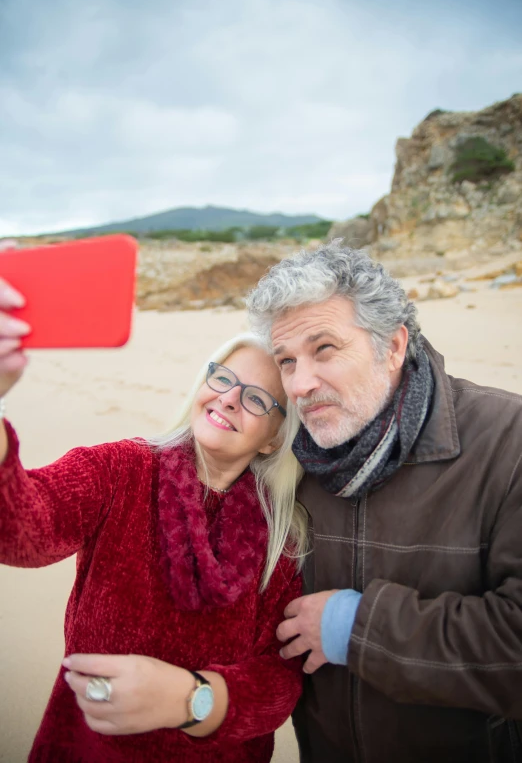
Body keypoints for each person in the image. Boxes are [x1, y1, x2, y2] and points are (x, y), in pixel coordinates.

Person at [0, 273, 308, 763]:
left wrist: (188, 698)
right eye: (223, 378)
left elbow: (278, 679)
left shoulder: (282, 538)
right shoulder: (120, 470)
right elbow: (25, 530)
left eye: (255, 398)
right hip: (88, 749)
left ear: (274, 437)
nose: (229, 397)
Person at [246, 240, 522, 763]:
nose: (301, 385)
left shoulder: (509, 442)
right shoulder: (287, 462)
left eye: (324, 348)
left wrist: (358, 628)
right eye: (286, 360)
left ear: (393, 345)